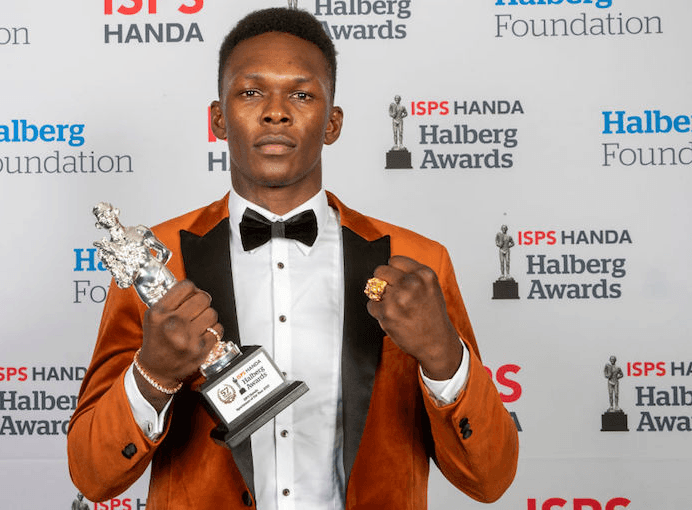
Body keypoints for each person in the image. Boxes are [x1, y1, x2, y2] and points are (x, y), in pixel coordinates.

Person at [68, 8, 518, 509]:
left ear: (333, 123)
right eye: (251, 92)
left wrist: (443, 359)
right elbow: (92, 475)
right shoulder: (155, 264)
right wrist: (153, 374)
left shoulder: (417, 261)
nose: (276, 111)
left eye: (302, 94)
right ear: (218, 118)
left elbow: (490, 479)